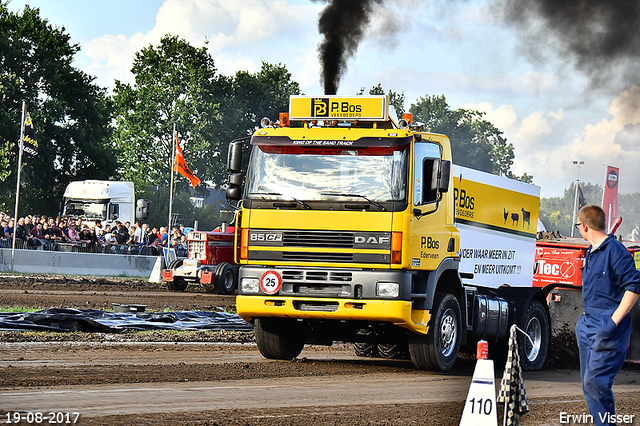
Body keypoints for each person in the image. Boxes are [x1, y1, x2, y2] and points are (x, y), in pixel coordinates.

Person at [575, 205, 640, 426]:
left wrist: (612, 322)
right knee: (589, 383)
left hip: (607, 326)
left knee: (596, 382)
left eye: (578, 225)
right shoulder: (592, 251)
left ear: (584, 226)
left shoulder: (616, 251)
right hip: (587, 323)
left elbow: (633, 287)